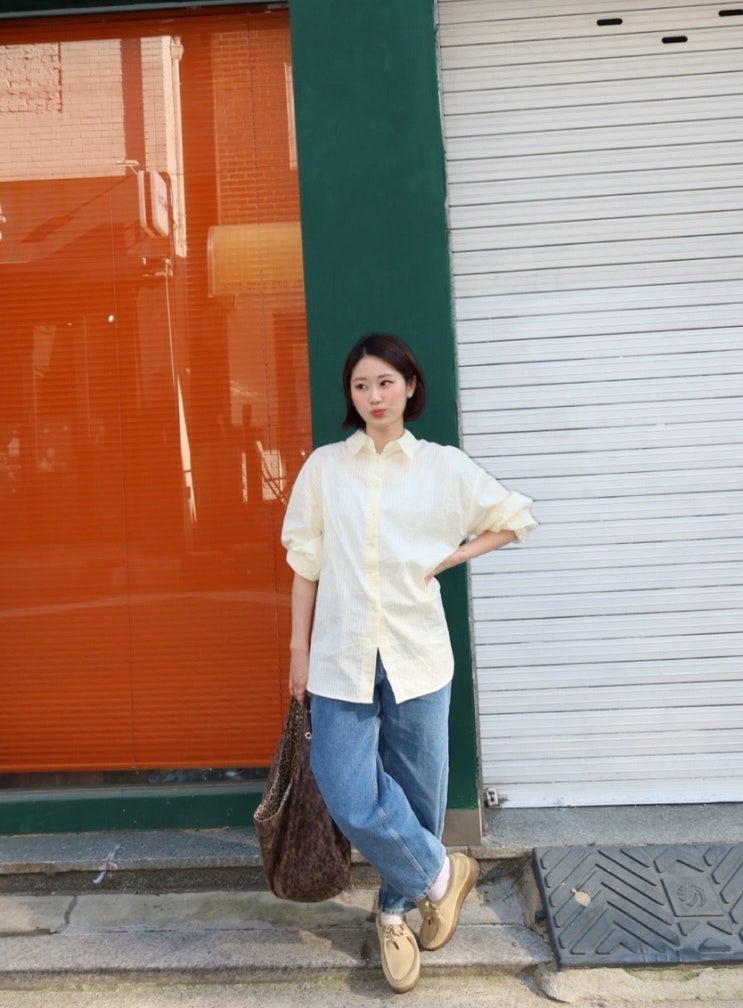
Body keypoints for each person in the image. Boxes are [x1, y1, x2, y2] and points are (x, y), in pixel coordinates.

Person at [281, 333, 537, 994]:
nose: (374, 396)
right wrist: (298, 651)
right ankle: (443, 874)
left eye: (385, 382)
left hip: (418, 655)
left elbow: (514, 518)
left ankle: (394, 912)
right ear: (351, 394)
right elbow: (305, 566)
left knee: (418, 797)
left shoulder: (443, 468)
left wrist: (450, 557)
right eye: (361, 385)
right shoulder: (324, 469)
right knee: (345, 787)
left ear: (410, 386)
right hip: (340, 656)